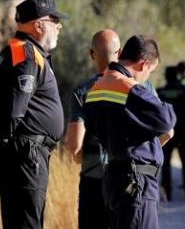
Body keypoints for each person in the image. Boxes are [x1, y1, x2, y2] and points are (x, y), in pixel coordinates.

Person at [0, 0, 68, 229]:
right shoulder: (27, 54)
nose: (59, 25)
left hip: (22, 152)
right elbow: (14, 110)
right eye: (54, 20)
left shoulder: (16, 51)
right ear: (39, 24)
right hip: (26, 154)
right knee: (27, 223)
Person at [84, 35, 175, 229]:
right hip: (137, 182)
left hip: (113, 178)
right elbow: (166, 121)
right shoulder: (129, 88)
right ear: (143, 64)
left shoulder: (96, 88)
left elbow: (92, 128)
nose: (147, 78)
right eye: (150, 71)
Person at [66, 29, 121, 229]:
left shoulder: (81, 91)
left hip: (93, 177)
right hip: (127, 178)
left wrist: (82, 156)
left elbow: (74, 146)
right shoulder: (140, 87)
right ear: (120, 52)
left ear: (92, 54)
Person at [157, 66, 185, 200]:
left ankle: (167, 193)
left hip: (167, 133)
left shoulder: (161, 92)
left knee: (166, 165)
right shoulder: (184, 91)